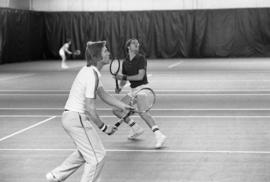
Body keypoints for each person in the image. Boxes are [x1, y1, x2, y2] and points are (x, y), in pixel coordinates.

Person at [46, 41, 133, 182]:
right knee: (97, 157)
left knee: (84, 152)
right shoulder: (91, 75)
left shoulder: (91, 72)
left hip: (70, 117)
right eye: (105, 51)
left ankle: (55, 176)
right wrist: (104, 128)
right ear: (98, 57)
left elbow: (104, 95)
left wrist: (123, 106)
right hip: (76, 118)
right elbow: (90, 108)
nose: (109, 53)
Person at [113, 38, 167, 149]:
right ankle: (135, 128)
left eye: (138, 43)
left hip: (142, 88)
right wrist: (120, 87)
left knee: (143, 112)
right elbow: (124, 81)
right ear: (128, 47)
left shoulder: (141, 59)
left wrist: (123, 77)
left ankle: (159, 135)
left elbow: (140, 76)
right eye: (134, 43)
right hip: (133, 90)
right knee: (116, 110)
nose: (137, 44)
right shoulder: (125, 61)